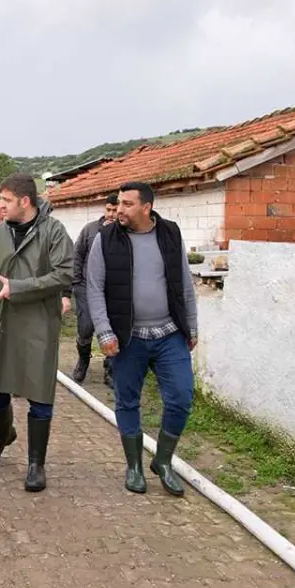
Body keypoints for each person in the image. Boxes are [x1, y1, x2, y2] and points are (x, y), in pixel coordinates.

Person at [85, 181, 197, 496]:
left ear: (146, 207)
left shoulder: (170, 233)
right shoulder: (105, 239)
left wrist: (192, 325)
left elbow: (184, 281)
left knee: (181, 397)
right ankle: (134, 465)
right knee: (127, 400)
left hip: (169, 333)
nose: (119, 209)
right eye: (118, 203)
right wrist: (104, 331)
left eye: (127, 204)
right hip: (126, 338)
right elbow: (94, 288)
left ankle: (162, 460)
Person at [0, 173, 73, 492]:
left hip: (38, 324)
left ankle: (36, 464)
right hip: (3, 323)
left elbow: (64, 274)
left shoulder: (53, 231)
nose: (0, 206)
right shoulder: (0, 231)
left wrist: (20, 288)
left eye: (7, 201)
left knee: (39, 396)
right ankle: (3, 436)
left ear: (25, 202)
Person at [70, 194, 119, 387]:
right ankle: (83, 360)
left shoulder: (124, 232)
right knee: (86, 327)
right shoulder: (90, 230)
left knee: (113, 329)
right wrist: (76, 283)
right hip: (86, 288)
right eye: (109, 210)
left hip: (114, 291)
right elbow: (77, 255)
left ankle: (110, 368)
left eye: (115, 210)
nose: (112, 214)